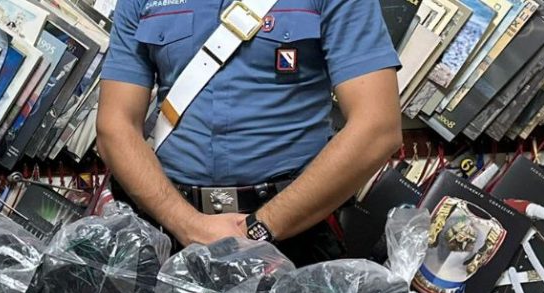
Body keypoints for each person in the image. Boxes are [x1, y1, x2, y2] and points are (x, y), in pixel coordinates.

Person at [96, 0, 403, 264]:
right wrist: (187, 225)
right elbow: (115, 127)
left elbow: (377, 127)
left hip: (294, 235)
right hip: (172, 231)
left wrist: (257, 229)